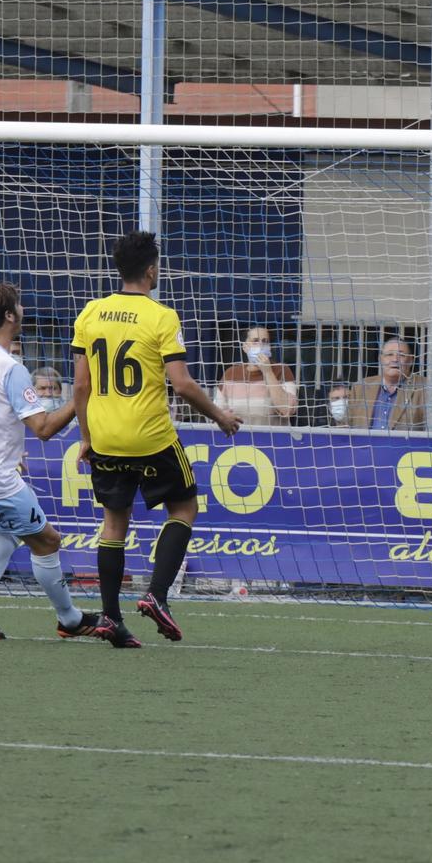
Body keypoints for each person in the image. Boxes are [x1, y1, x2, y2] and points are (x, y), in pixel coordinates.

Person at [71, 230, 242, 649]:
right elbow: (181, 385)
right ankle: (157, 595)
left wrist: (86, 436)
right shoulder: (162, 316)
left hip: (106, 437)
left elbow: (80, 385)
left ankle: (111, 617)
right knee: (184, 507)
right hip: (149, 436)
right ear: (151, 270)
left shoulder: (90, 312)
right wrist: (220, 415)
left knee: (114, 523)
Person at [0, 282, 104, 642]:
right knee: (47, 541)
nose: (22, 310)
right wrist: (84, 391)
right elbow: (44, 428)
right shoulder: (10, 367)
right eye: (17, 305)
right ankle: (70, 618)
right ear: (8, 316)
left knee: (11, 528)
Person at [215, 325, 299, 427]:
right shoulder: (230, 373)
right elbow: (216, 413)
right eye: (255, 341)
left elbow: (287, 410)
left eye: (265, 341)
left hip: (273, 440)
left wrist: (268, 372)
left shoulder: (282, 370)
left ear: (270, 347)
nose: (260, 345)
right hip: (238, 440)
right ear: (245, 347)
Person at [347, 337, 426, 432]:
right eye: (389, 354)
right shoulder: (361, 387)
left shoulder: (425, 388)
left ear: (411, 360)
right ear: (381, 359)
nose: (394, 359)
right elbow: (345, 427)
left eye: (401, 355)